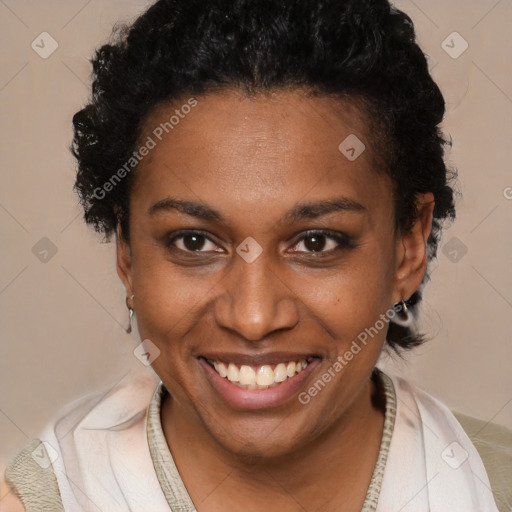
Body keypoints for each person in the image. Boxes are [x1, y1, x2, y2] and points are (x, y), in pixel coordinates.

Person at [1, 0, 511, 510]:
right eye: (193, 241)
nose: (253, 318)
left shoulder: (492, 486)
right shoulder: (44, 499)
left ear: (408, 248)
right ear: (128, 254)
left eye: (316, 242)